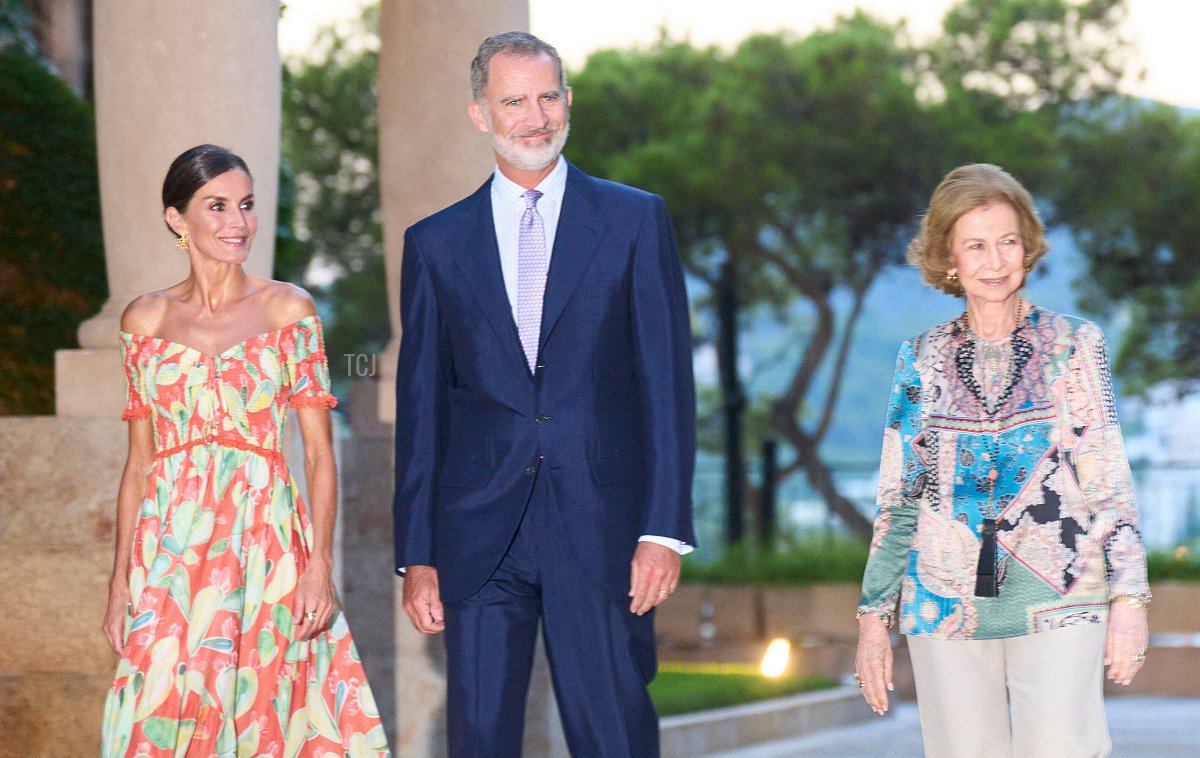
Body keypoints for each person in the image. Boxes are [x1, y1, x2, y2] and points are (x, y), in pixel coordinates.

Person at [392, 31, 696, 757]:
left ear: (568, 100)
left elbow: (667, 386)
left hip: (604, 530)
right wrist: (417, 554)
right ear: (480, 113)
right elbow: (423, 408)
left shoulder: (633, 220)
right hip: (476, 539)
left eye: (548, 97)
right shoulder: (435, 243)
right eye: (514, 102)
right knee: (479, 740)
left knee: (615, 737)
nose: (535, 118)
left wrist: (662, 530)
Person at [101, 144, 390, 757]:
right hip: (171, 547)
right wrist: (120, 578)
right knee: (155, 710)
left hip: (265, 541)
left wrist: (319, 565)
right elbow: (139, 462)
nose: (239, 222)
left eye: (247, 205)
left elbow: (319, 454)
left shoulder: (288, 309)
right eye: (218, 206)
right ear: (177, 218)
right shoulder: (144, 320)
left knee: (267, 711)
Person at [854, 163, 1151, 757]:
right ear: (948, 256)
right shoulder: (921, 357)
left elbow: (1107, 482)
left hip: (1062, 593)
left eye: (1008, 242)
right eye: (976, 245)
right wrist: (872, 619)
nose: (995, 261)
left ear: (1028, 247)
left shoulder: (1074, 345)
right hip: (942, 601)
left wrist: (1129, 600)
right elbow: (899, 498)